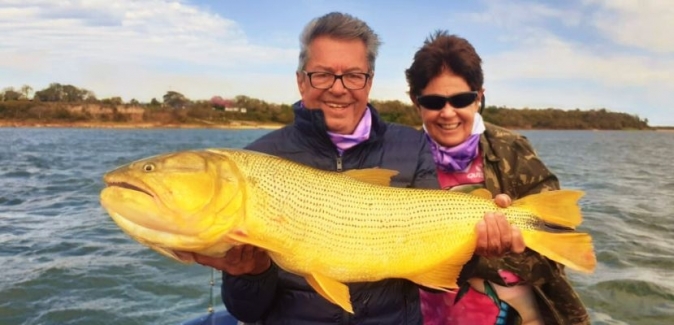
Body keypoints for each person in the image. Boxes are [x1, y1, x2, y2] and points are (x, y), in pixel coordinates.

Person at [193, 13, 524, 325]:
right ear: (300, 81)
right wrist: (249, 274)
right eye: (322, 74)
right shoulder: (257, 160)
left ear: (369, 81)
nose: (338, 88)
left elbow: (441, 276)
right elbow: (247, 311)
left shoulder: (413, 146)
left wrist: (482, 249)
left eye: (353, 75)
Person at [405, 31, 591, 325]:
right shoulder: (399, 156)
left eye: (461, 99)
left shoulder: (512, 149)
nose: (448, 113)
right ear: (416, 102)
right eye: (433, 102)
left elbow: (559, 244)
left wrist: (499, 250)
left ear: (479, 97)